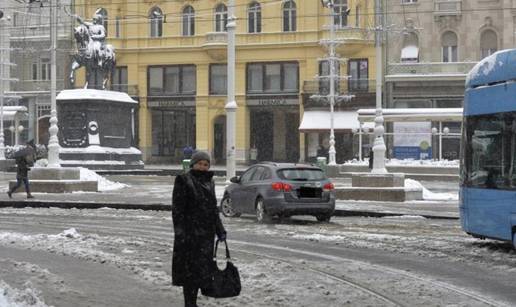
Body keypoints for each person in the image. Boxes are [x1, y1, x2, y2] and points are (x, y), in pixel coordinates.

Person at [172, 151, 227, 307]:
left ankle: (193, 302)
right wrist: (181, 233)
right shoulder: (183, 180)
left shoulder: (210, 182)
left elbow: (212, 210)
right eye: (200, 164)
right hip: (189, 236)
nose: (203, 167)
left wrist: (220, 229)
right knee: (189, 274)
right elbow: (178, 211)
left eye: (206, 164)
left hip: (205, 237)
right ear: (193, 164)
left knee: (201, 272)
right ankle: (190, 303)